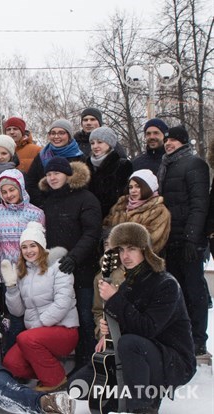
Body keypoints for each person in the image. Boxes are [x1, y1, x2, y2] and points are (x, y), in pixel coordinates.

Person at [75, 222, 196, 412]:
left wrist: (115, 300)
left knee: (129, 343)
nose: (125, 256)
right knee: (79, 384)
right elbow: (129, 320)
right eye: (121, 249)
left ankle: (142, 407)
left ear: (145, 250)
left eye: (131, 249)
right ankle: (122, 399)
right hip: (140, 353)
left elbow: (147, 328)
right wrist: (109, 330)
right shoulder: (129, 282)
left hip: (173, 359)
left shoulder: (166, 284)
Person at [38, 157, 101, 372]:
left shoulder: (86, 198)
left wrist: (74, 257)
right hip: (54, 271)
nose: (52, 177)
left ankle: (88, 363)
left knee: (84, 316)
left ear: (68, 174)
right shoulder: (47, 200)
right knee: (59, 317)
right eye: (49, 174)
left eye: (57, 173)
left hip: (81, 269)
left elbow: (92, 233)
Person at [2, 222, 78, 392]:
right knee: (11, 364)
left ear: (41, 246)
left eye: (32, 246)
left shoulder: (59, 267)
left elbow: (63, 303)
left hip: (64, 330)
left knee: (25, 338)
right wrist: (12, 286)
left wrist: (36, 328)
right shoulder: (23, 272)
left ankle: (55, 380)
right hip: (35, 337)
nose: (29, 251)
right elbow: (17, 311)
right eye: (24, 247)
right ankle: (51, 371)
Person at [157, 126, 210, 356]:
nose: (169, 143)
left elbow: (200, 204)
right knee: (176, 291)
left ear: (184, 143)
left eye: (174, 140)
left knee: (194, 291)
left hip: (189, 241)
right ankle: (182, 336)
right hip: (171, 239)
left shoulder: (193, 164)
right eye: (167, 140)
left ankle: (198, 339)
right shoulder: (167, 165)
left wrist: (192, 237)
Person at [0, 169, 45, 351]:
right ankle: (11, 352)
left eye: (12, 189)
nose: (8, 195)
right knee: (12, 316)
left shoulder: (35, 213)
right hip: (6, 274)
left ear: (20, 187)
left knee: (29, 316)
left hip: (30, 273)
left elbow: (41, 244)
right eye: (4, 192)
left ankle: (28, 350)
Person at [104, 169, 170, 254]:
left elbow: (150, 241)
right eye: (130, 187)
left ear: (148, 187)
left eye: (138, 186)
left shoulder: (159, 211)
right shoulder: (121, 204)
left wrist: (117, 242)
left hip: (142, 263)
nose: (133, 190)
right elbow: (106, 226)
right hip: (115, 259)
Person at [26, 119, 85, 207]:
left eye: (61, 133)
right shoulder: (42, 156)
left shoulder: (79, 156)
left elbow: (83, 185)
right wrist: (43, 203)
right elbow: (31, 182)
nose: (56, 136)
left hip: (71, 207)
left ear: (69, 135)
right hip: (45, 206)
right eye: (53, 133)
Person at [85, 126, 133, 217]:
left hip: (114, 218)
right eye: (92, 143)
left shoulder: (123, 166)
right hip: (90, 218)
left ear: (109, 143)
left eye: (100, 142)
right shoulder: (86, 166)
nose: (95, 146)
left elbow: (125, 197)